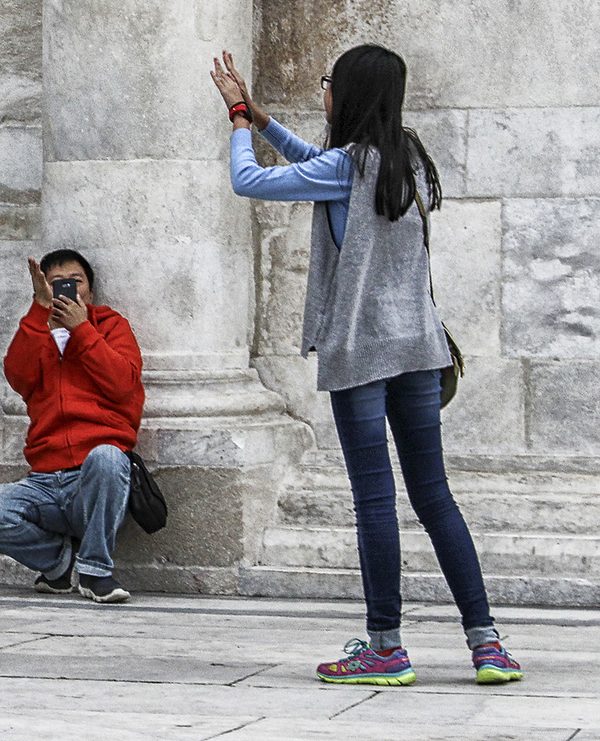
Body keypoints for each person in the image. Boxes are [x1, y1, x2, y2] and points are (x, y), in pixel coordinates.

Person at [210, 45, 521, 687]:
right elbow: (318, 166)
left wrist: (240, 126)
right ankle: (487, 644)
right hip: (418, 348)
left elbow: (252, 182)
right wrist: (263, 119)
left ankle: (385, 647)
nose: (322, 92)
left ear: (345, 95)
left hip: (360, 351)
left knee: (375, 499)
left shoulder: (351, 164)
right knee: (434, 497)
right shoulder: (407, 159)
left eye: (327, 83)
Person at [0, 249, 144, 603]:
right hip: (45, 481)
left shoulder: (110, 325)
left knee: (110, 457)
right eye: (56, 284)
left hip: (96, 481)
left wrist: (81, 329)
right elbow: (18, 377)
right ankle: (59, 564)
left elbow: (123, 384)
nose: (68, 289)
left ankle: (96, 572)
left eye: (76, 282)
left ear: (90, 293)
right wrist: (39, 310)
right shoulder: (35, 332)